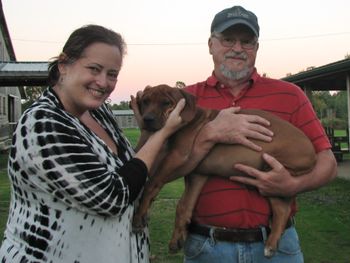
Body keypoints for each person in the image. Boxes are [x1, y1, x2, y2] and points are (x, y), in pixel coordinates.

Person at [0, 24, 185, 263]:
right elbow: (113, 196)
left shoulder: (98, 114)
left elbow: (133, 172)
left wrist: (147, 133)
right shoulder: (43, 122)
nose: (103, 82)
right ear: (64, 65)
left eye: (112, 74)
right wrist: (164, 133)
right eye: (94, 69)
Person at [181, 5, 337, 263]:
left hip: (278, 247)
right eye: (228, 39)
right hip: (206, 247)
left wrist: (293, 185)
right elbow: (164, 165)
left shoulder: (290, 95)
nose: (238, 48)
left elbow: (328, 164)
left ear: (257, 48)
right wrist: (210, 133)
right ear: (211, 44)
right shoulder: (188, 100)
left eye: (247, 41)